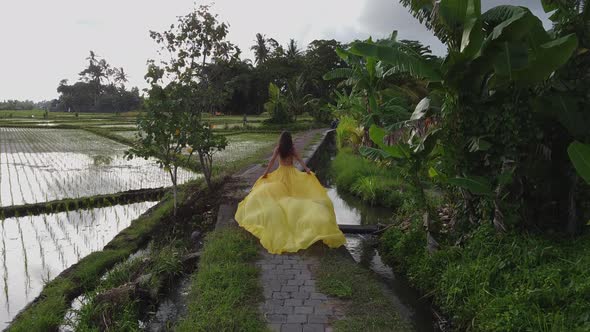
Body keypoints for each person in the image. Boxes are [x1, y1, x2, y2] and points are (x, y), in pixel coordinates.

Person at [234, 131, 346, 254]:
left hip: (280, 174)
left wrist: (265, 173)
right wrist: (307, 170)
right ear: (290, 140)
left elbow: (272, 162)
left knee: (281, 197)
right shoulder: (292, 149)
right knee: (292, 195)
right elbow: (300, 160)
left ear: (281, 140)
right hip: (292, 174)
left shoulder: (279, 148)